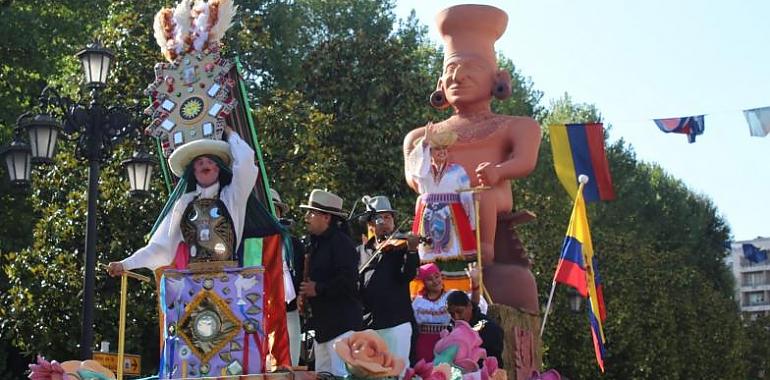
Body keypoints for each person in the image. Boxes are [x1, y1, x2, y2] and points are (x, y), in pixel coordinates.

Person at [402, 4, 541, 311]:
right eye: (450, 72)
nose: (458, 78)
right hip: (441, 212)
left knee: (485, 196)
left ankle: (484, 251)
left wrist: (499, 169)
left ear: (498, 79)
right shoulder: (420, 136)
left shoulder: (518, 126)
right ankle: (430, 254)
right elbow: (414, 178)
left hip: (489, 206)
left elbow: (525, 161)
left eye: (470, 71)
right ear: (440, 84)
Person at [108, 125, 257, 275]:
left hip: (229, 281)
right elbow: (161, 246)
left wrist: (231, 134)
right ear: (193, 172)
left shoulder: (231, 196)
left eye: (210, 161)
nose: (205, 165)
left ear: (218, 168)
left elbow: (245, 165)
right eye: (199, 162)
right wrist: (125, 264)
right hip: (193, 285)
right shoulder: (184, 203)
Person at [298, 189, 362, 377]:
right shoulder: (316, 244)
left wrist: (317, 288)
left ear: (326, 217)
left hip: (341, 326)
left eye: (312, 213)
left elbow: (349, 282)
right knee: (322, 375)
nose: (307, 217)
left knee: (338, 374)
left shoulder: (341, 243)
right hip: (323, 326)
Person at [357, 195, 420, 370]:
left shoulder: (401, 248)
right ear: (371, 223)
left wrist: (412, 250)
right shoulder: (361, 251)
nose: (385, 222)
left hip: (396, 323)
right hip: (369, 323)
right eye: (380, 218)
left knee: (396, 371)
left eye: (388, 217)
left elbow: (407, 275)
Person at [410, 127, 476, 264]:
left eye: (444, 148)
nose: (442, 152)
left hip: (453, 214)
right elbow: (417, 170)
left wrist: (471, 209)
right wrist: (425, 143)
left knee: (454, 250)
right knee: (426, 252)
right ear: (429, 152)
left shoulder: (458, 170)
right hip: (427, 214)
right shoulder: (424, 171)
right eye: (437, 149)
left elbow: (466, 193)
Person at [411, 262, 485, 363]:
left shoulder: (451, 296)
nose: (435, 281)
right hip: (424, 347)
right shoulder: (418, 302)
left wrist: (475, 283)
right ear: (424, 282)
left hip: (448, 344)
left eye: (437, 277)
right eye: (429, 279)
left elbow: (473, 304)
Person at [271, 188, 305, 367]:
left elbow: (302, 275)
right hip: (265, 313)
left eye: (275, 209)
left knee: (291, 361)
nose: (272, 213)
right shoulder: (254, 243)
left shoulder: (295, 244)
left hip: (290, 311)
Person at [447, 290, 504, 367]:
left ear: (469, 306)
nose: (456, 317)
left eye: (459, 311)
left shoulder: (486, 325)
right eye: (452, 314)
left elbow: (494, 356)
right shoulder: (452, 326)